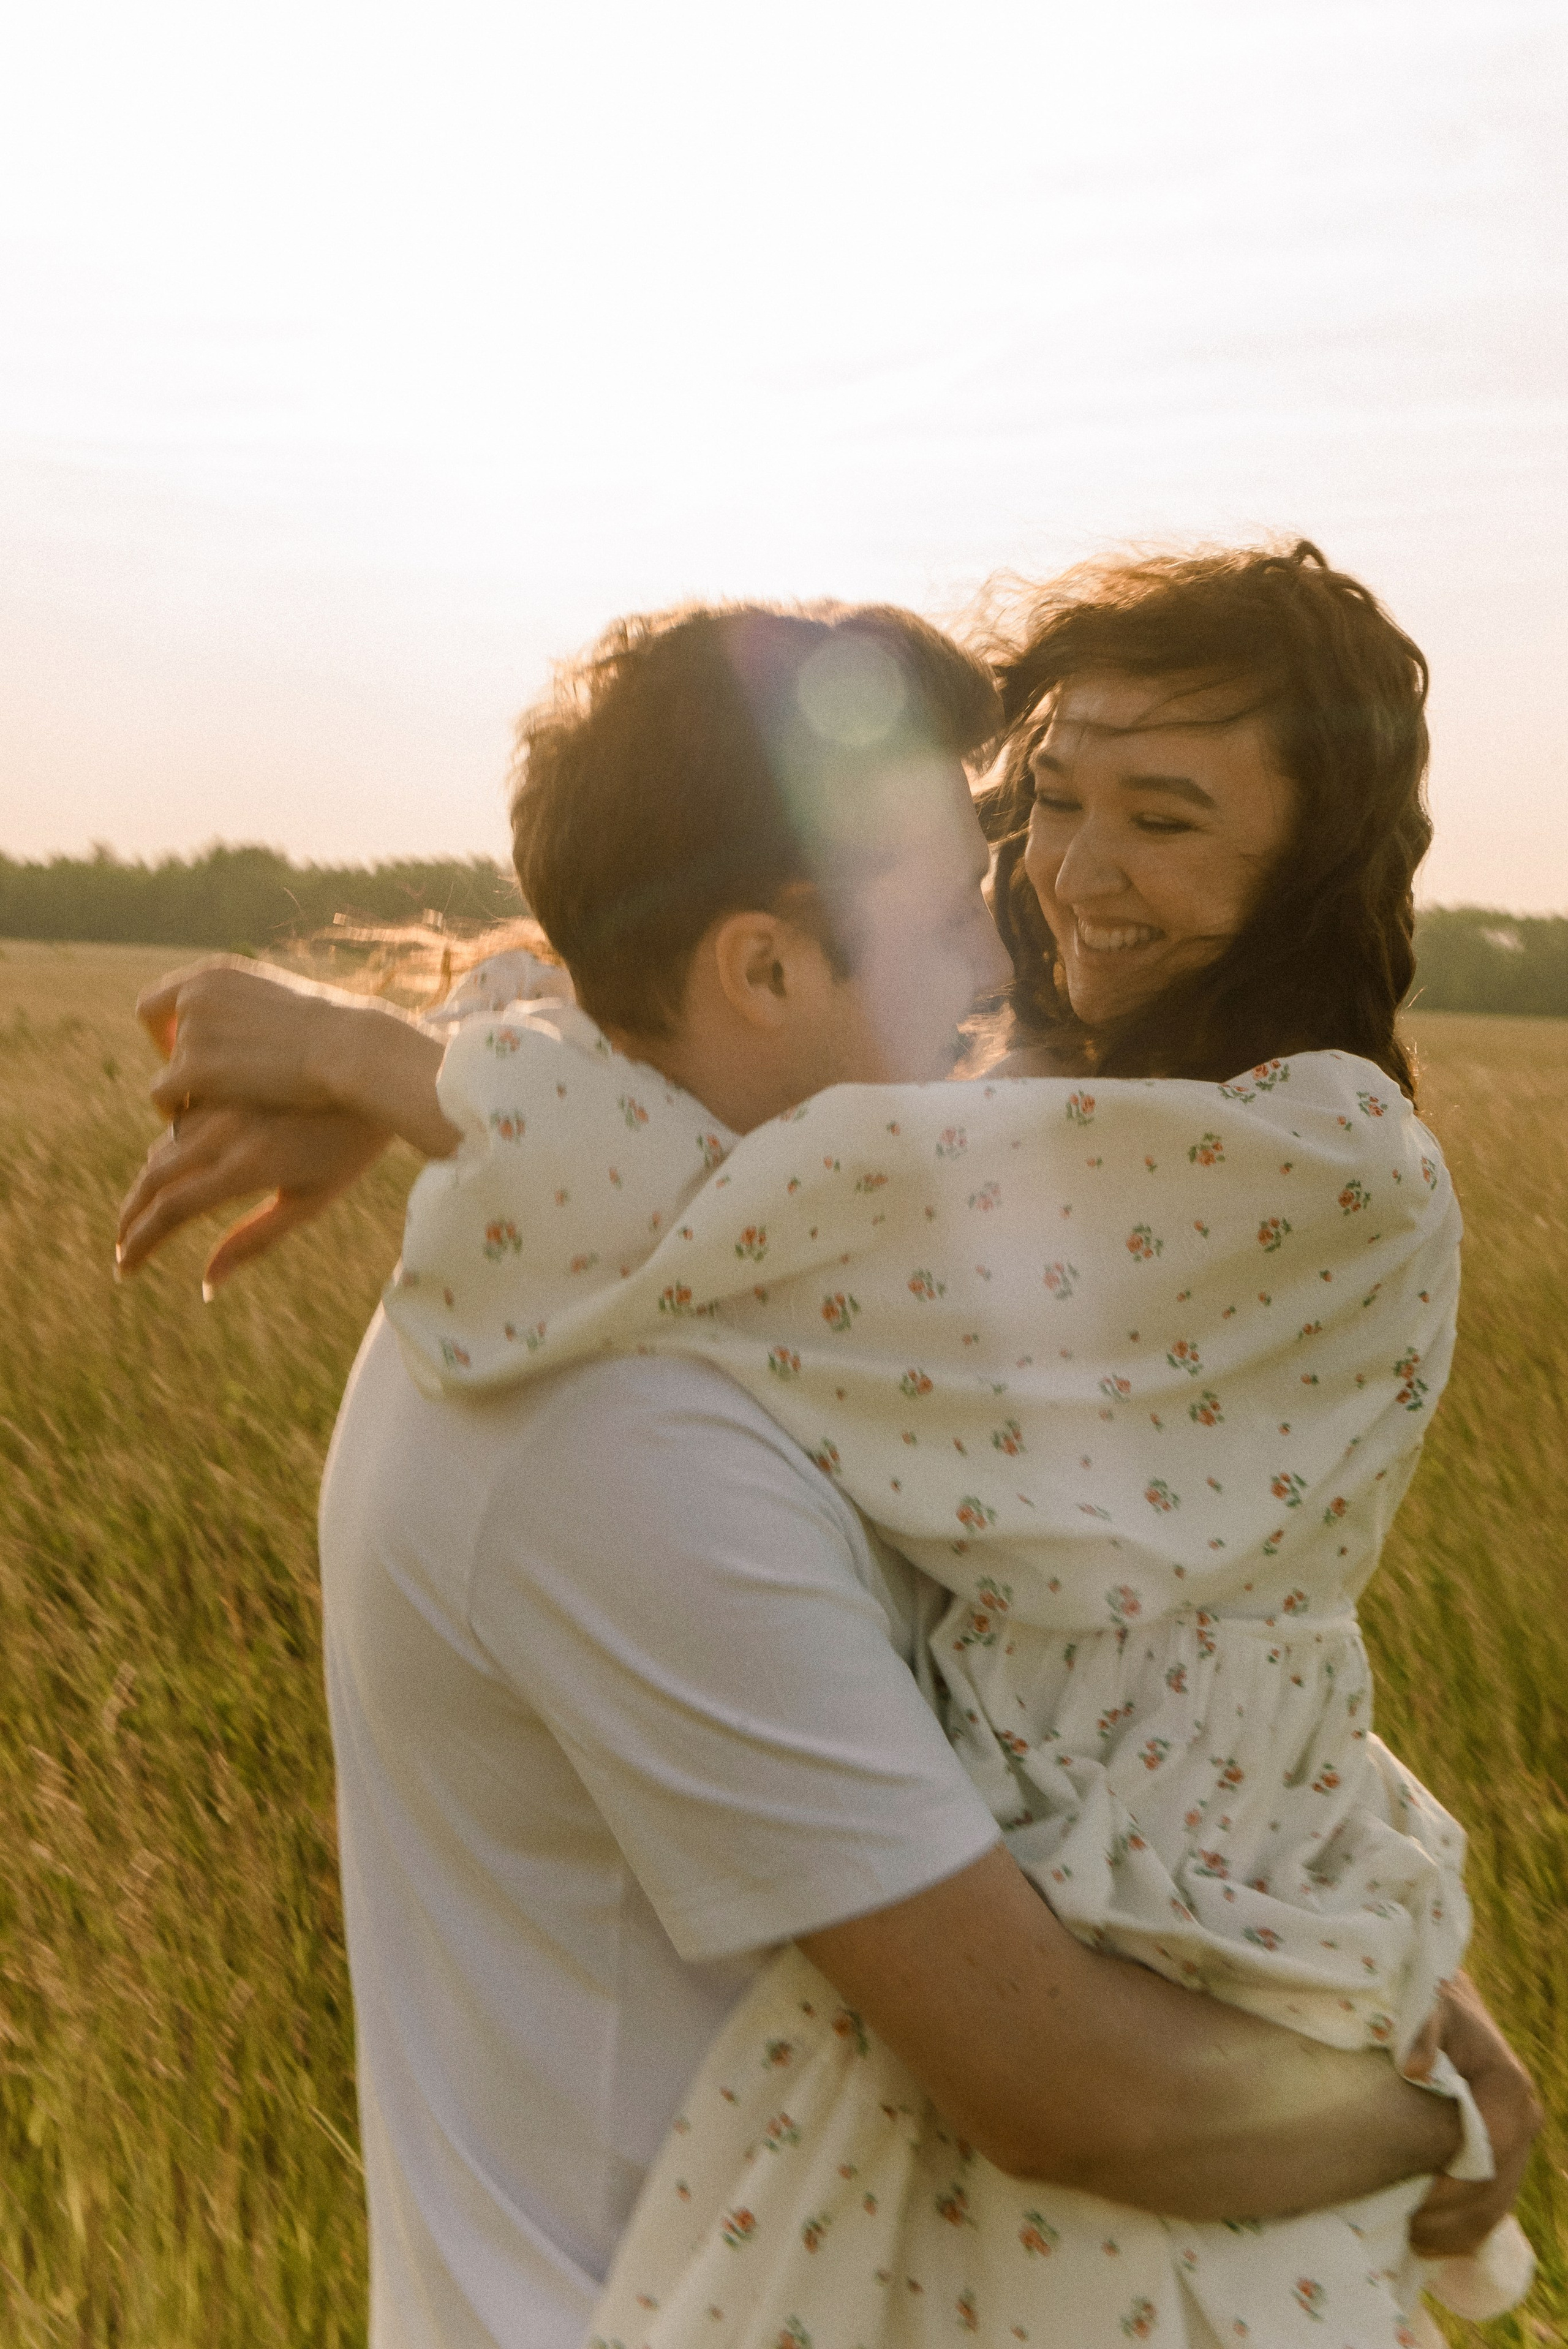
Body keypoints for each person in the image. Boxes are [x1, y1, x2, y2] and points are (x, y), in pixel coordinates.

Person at [118, 576, 1541, 2348]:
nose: (1017, 932)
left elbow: (1152, 1606)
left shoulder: (769, 1288)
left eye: (1155, 820)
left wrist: (417, 1071)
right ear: (767, 963)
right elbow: (1063, 2081)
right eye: (983, 879)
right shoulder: (637, 1431)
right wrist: (1433, 2118)